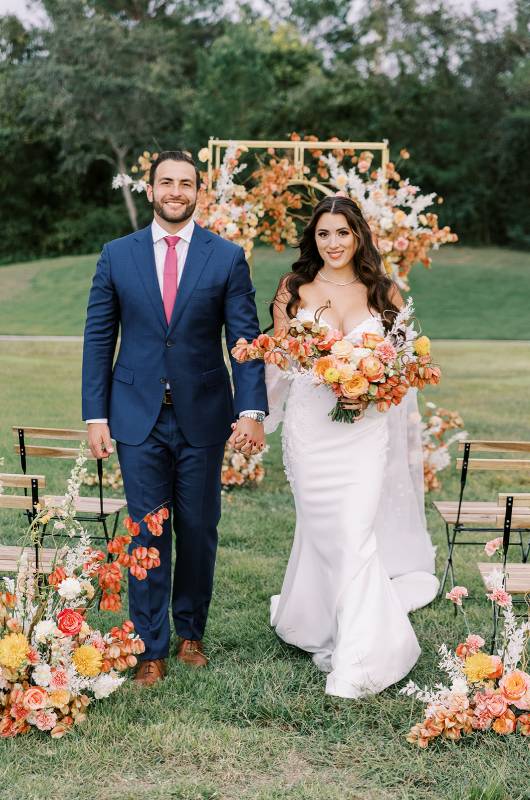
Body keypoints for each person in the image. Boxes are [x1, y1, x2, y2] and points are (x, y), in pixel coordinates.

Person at [82, 150, 267, 686]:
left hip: (204, 417)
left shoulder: (226, 257)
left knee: (197, 527)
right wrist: (96, 415)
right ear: (151, 189)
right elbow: (99, 339)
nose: (176, 191)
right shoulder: (117, 255)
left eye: (186, 183)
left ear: (197, 191)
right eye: (167, 182)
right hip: (135, 417)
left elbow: (245, 341)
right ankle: (149, 645)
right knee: (145, 531)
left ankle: (191, 634)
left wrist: (250, 409)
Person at [265, 195, 438, 699]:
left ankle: (366, 655)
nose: (333, 243)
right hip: (310, 430)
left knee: (353, 531)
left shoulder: (384, 292)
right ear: (313, 239)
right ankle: (322, 622)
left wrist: (374, 384)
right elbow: (279, 358)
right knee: (324, 530)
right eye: (323, 234)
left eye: (342, 232)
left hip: (363, 433)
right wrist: (258, 416)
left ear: (358, 236)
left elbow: (404, 370)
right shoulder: (293, 289)